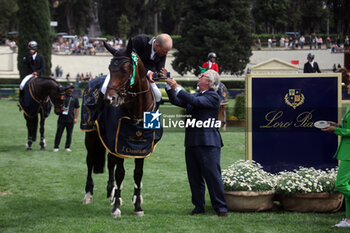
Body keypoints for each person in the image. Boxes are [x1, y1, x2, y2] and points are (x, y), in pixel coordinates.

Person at [165, 69, 228, 217]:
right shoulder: (197, 95)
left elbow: (193, 101)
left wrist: (176, 86)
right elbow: (177, 100)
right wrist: (168, 84)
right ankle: (199, 207)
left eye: (203, 75)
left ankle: (221, 207)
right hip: (192, 142)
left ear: (209, 81)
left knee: (212, 176)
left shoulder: (213, 96)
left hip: (208, 143)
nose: (199, 77)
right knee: (194, 177)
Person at [322, 83, 350, 228]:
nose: (348, 87)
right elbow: (348, 127)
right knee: (347, 186)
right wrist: (336, 125)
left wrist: (335, 130)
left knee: (341, 184)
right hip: (346, 151)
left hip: (349, 153)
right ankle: (349, 220)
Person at [53, 84, 80, 152]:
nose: (70, 90)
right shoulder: (62, 97)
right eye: (69, 89)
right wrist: (59, 109)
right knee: (59, 133)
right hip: (61, 118)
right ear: (66, 89)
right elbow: (56, 105)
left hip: (70, 119)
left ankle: (67, 147)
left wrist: (76, 118)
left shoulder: (75, 98)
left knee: (69, 134)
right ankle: (56, 146)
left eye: (72, 89)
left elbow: (77, 108)